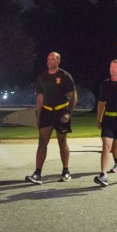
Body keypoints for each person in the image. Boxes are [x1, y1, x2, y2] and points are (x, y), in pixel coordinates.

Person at [25, 52, 78, 185]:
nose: (50, 60)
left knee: (62, 142)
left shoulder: (65, 76)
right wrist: (38, 116)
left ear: (58, 61)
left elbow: (73, 96)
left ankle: (66, 171)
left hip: (61, 112)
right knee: (42, 142)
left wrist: (68, 113)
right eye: (48, 58)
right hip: (47, 112)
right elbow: (40, 98)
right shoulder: (42, 76)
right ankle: (37, 173)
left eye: (53, 58)